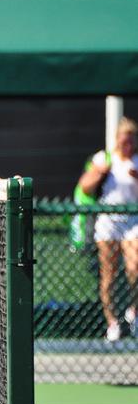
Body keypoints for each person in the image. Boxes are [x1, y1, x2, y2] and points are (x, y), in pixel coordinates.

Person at [76, 116, 138, 342]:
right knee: (108, 274)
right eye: (124, 140)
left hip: (132, 221)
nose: (127, 145)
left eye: (131, 141)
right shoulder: (104, 158)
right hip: (108, 223)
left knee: (135, 267)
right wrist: (100, 172)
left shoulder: (136, 161)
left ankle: (133, 311)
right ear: (117, 139)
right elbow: (84, 186)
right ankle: (112, 322)